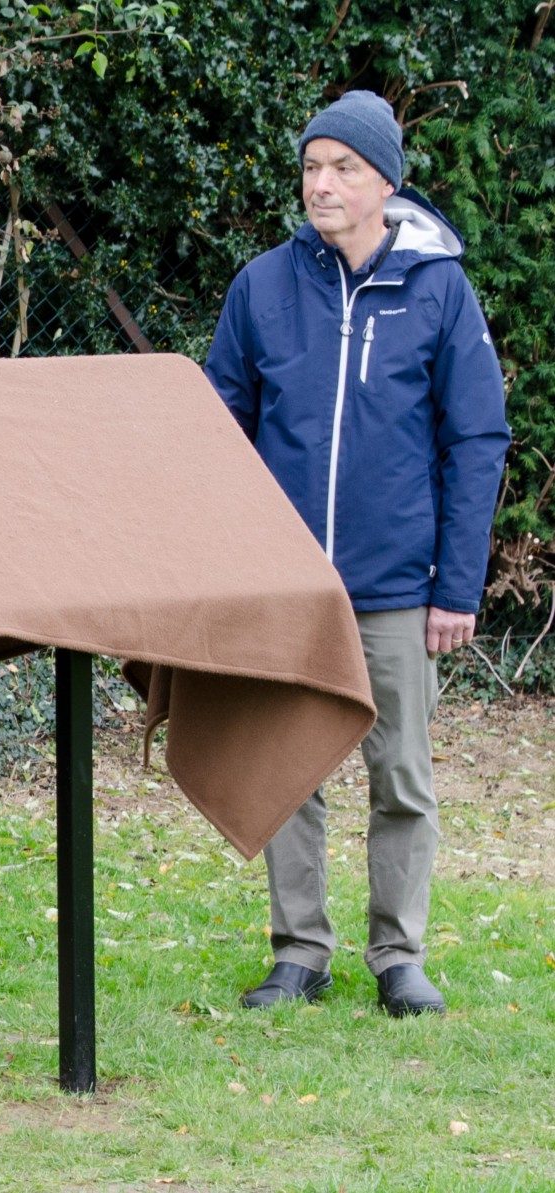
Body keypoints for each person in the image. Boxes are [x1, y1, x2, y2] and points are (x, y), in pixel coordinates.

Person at [205, 90, 510, 1017]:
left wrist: (455, 586)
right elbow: (215, 431)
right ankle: (299, 952)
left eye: (342, 168)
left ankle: (398, 957)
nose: (321, 183)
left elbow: (478, 440)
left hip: (393, 589)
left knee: (402, 778)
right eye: (310, 166)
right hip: (286, 587)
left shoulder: (439, 289)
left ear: (386, 181)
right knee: (290, 770)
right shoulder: (262, 287)